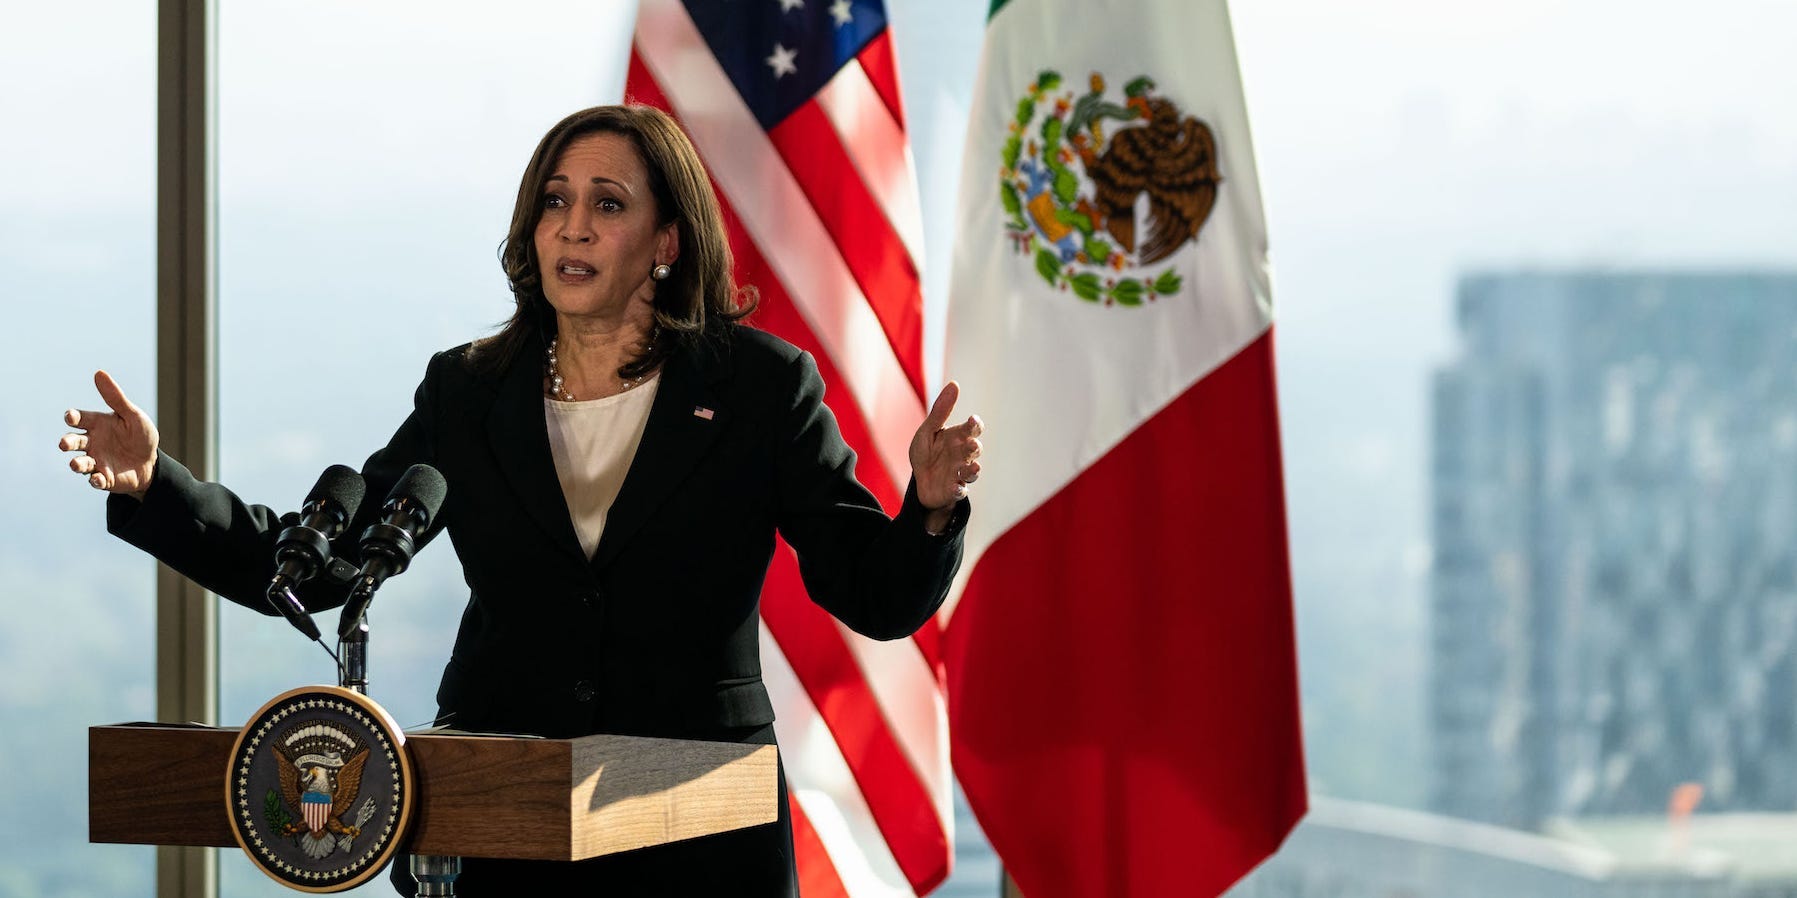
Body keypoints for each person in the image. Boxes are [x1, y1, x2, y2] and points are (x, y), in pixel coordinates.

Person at [58, 104, 982, 895]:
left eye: (606, 205)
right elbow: (313, 567)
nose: (572, 227)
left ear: (666, 243)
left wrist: (929, 508)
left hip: (699, 828)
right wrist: (155, 484)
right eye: (555, 201)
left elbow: (872, 591)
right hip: (502, 820)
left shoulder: (756, 388)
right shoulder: (469, 391)